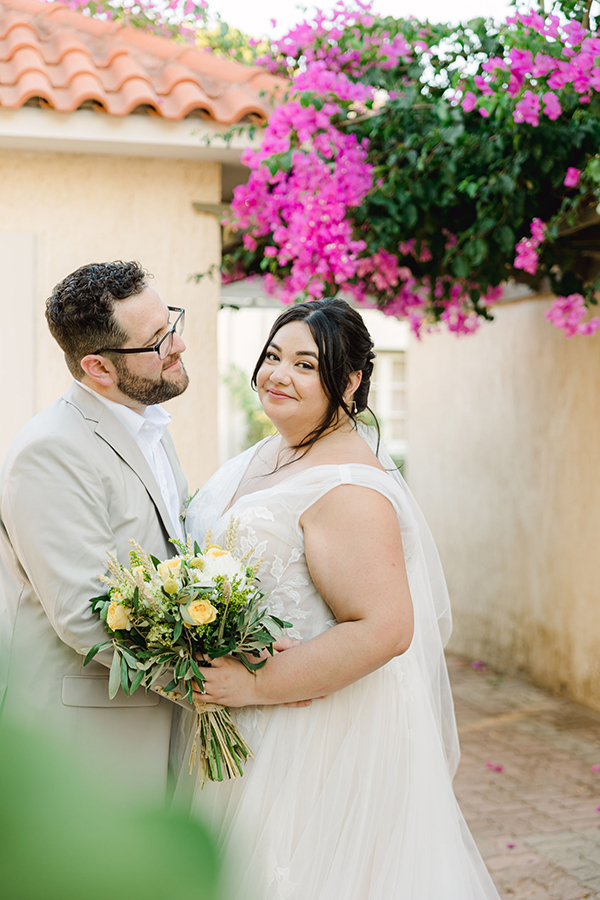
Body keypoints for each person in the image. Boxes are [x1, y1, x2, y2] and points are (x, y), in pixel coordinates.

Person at [182, 298, 501, 899]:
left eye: (306, 365)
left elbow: (384, 628)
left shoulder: (350, 486)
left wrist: (252, 685)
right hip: (245, 722)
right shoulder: (267, 453)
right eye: (273, 356)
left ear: (349, 382)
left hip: (310, 730)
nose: (278, 374)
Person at [0, 261, 192, 801]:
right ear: (98, 368)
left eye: (171, 321)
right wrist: (222, 685)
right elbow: (87, 615)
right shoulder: (51, 451)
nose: (177, 343)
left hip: (151, 726)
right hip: (85, 744)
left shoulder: (147, 423)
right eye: (157, 339)